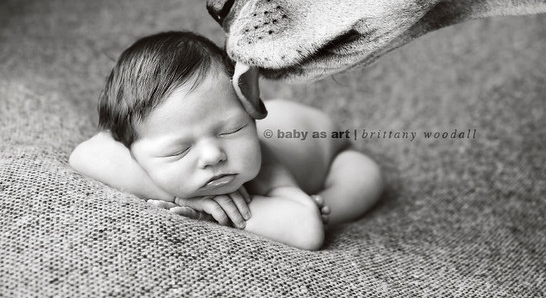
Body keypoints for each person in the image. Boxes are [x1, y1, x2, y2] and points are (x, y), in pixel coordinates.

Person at [69, 31, 383, 250]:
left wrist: (215, 214)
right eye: (179, 150)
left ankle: (324, 204)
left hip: (325, 142)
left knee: (365, 177)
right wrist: (184, 196)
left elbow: (306, 230)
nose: (213, 155)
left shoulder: (264, 164)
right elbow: (83, 155)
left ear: (249, 113)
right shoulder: (134, 149)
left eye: (232, 130)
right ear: (132, 153)